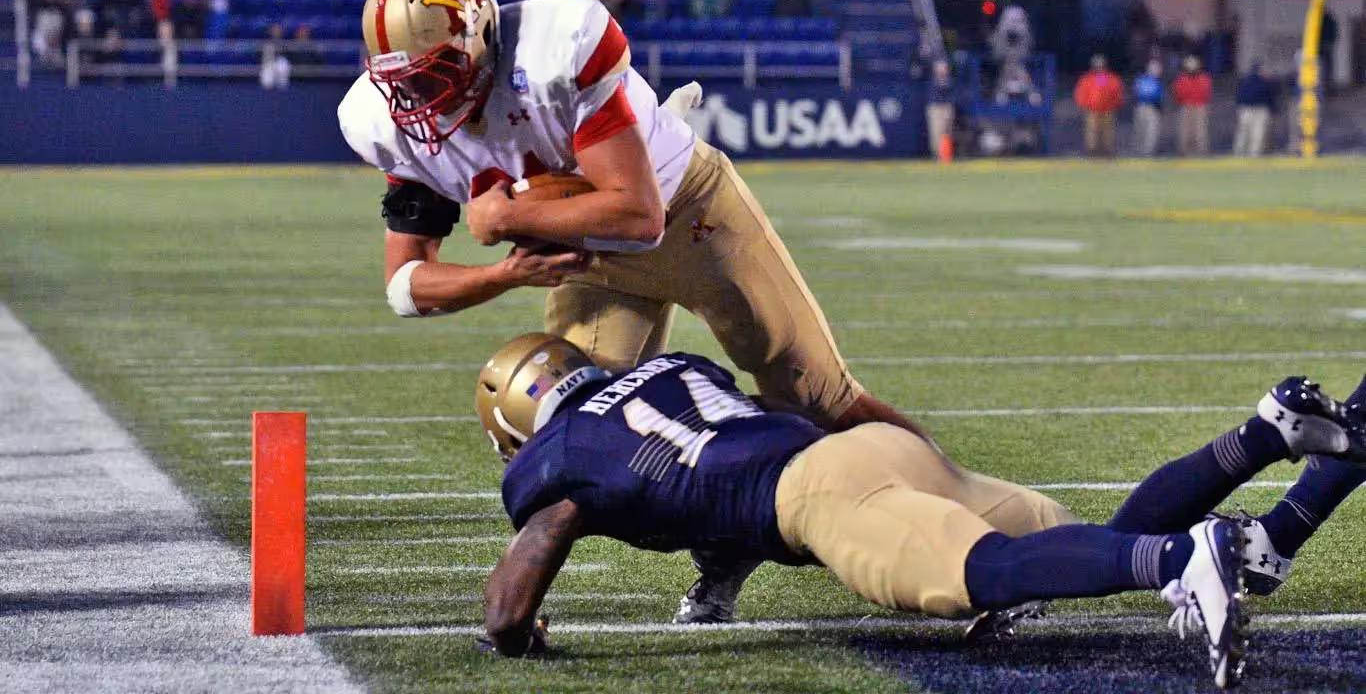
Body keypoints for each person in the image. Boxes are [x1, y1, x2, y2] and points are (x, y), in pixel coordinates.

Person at [338, 0, 934, 624]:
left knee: (817, 397)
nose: (419, 103)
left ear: (479, 41)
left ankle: (958, 511)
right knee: (570, 440)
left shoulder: (555, 49)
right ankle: (653, 571)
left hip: (691, 214)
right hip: (591, 265)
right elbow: (406, 283)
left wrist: (506, 218)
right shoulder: (393, 126)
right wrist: (504, 274)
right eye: (402, 84)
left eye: (434, 78)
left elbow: (638, 214)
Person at [473, 333, 1366, 689]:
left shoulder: (550, 460)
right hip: (867, 454)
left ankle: (1188, 564)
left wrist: (511, 636)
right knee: (1098, 542)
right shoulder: (673, 368)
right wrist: (715, 588)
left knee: (992, 576)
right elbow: (711, 474)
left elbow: (525, 580)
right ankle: (1262, 436)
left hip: (822, 496)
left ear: (520, 423)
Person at [1073, 54, 1124, 157]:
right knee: (1092, 131)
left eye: (1101, 65)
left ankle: (1107, 151)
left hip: (1108, 110)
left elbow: (1117, 92)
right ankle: (1092, 152)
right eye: (1097, 65)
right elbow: (1080, 93)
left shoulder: (1111, 78)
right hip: (1092, 110)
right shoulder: (1086, 79)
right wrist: (1084, 105)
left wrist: (1115, 104)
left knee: (1108, 132)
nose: (1099, 67)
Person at [1233, 63, 1277, 157]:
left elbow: (1239, 96)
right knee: (1256, 133)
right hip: (1258, 110)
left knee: (1245, 133)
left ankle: (1240, 153)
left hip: (1247, 109)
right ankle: (1253, 154)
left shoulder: (1245, 80)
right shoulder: (1264, 82)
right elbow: (1270, 97)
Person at [1173, 56, 1212, 156]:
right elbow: (1178, 92)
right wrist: (1184, 101)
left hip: (1199, 106)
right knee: (1185, 130)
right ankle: (1184, 151)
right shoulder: (1182, 79)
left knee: (1200, 130)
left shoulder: (1203, 78)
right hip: (1186, 105)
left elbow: (1206, 92)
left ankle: (1200, 151)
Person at [1132, 58, 1164, 157]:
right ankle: (1139, 150)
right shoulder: (1141, 79)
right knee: (1140, 129)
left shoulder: (1158, 82)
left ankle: (1148, 151)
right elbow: (1136, 93)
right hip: (1142, 106)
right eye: (1155, 68)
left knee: (1152, 131)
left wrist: (1160, 108)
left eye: (1158, 69)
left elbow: (1160, 97)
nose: (1157, 71)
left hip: (1153, 108)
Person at [925, 59, 955, 161]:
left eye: (944, 67)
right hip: (935, 107)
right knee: (936, 132)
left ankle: (946, 155)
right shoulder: (932, 79)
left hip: (946, 107)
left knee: (947, 131)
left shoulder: (949, 80)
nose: (943, 69)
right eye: (940, 67)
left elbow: (950, 94)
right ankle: (936, 155)